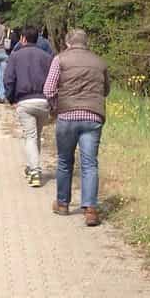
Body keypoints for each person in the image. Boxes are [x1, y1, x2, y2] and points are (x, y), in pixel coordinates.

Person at [44, 28, 111, 225]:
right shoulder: (99, 62)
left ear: (68, 43)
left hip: (67, 116)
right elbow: (106, 90)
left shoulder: (60, 59)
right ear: (87, 43)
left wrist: (56, 106)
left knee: (65, 161)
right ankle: (90, 209)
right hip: (93, 117)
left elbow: (48, 89)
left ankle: (63, 204)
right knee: (90, 163)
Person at [3, 25, 54, 187]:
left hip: (25, 101)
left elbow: (9, 79)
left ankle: (35, 171)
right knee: (36, 136)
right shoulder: (47, 57)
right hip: (43, 101)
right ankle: (32, 166)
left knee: (30, 137)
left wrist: (11, 99)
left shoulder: (15, 56)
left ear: (23, 39)